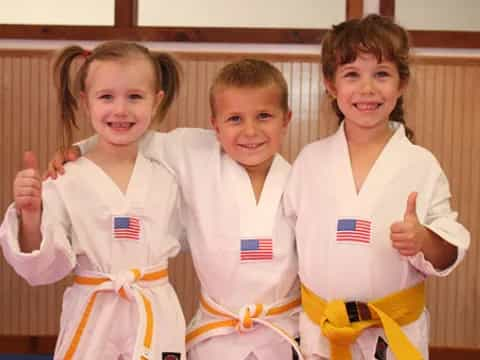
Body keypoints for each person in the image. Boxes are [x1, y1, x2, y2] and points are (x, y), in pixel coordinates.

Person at [45, 59, 302, 360]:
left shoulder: (302, 181)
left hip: (283, 334)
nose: (250, 131)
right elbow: (132, 136)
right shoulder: (195, 153)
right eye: (234, 119)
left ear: (286, 119)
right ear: (215, 125)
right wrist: (81, 149)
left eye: (263, 116)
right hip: (216, 337)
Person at [281, 14, 470, 360]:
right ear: (330, 84)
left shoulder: (421, 164)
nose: (367, 89)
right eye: (352, 74)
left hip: (393, 336)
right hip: (322, 333)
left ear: (401, 85)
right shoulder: (309, 162)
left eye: (381, 74)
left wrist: (423, 239)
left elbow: (447, 252)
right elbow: (285, 242)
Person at [0, 41, 186, 360]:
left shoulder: (171, 174)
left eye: (135, 97)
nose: (120, 110)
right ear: (86, 102)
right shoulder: (67, 178)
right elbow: (42, 269)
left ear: (157, 101)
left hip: (155, 311)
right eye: (106, 97)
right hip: (93, 318)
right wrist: (31, 215)